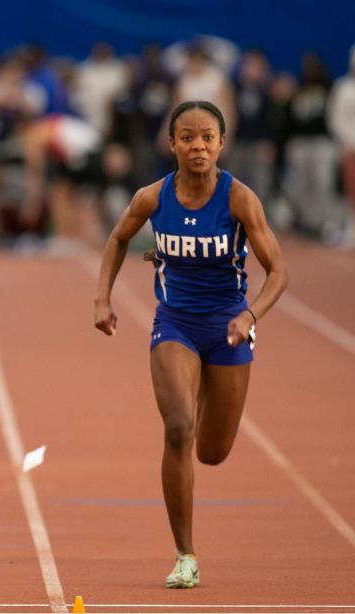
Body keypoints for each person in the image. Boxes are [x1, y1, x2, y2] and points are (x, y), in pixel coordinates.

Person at [94, 100, 287, 589]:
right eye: (187, 137)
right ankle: (185, 554)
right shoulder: (153, 197)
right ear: (172, 143)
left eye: (207, 137)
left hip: (228, 329)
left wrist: (249, 315)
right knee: (179, 428)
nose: (197, 145)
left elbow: (279, 272)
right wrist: (102, 300)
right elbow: (118, 239)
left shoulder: (240, 199)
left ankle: (203, 387)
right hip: (175, 324)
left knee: (213, 452)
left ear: (222, 143)